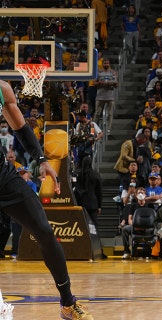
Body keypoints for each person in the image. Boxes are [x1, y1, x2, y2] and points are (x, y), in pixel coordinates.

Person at [0, 80, 93, 318]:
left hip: (2, 175)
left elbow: (20, 128)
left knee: (43, 230)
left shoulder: (2, 89)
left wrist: (41, 160)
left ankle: (68, 303)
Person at [94, 58, 118, 135]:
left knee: (110, 113)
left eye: (107, 63)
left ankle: (109, 129)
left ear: (109, 64)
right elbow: (94, 83)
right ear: (102, 64)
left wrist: (110, 83)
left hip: (110, 96)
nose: (106, 64)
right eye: (105, 63)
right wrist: (100, 83)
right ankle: (94, 128)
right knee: (97, 113)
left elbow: (116, 84)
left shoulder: (113, 72)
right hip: (100, 96)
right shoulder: (98, 72)